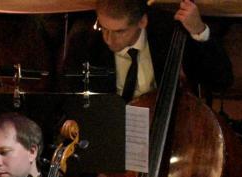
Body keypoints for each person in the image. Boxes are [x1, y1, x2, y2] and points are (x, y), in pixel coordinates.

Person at [80, 0, 230, 102]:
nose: (109, 39)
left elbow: (221, 80)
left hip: (164, 125)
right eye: (104, 28)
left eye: (119, 32)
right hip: (111, 126)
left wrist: (199, 30)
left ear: (142, 22)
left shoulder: (168, 32)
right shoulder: (86, 40)